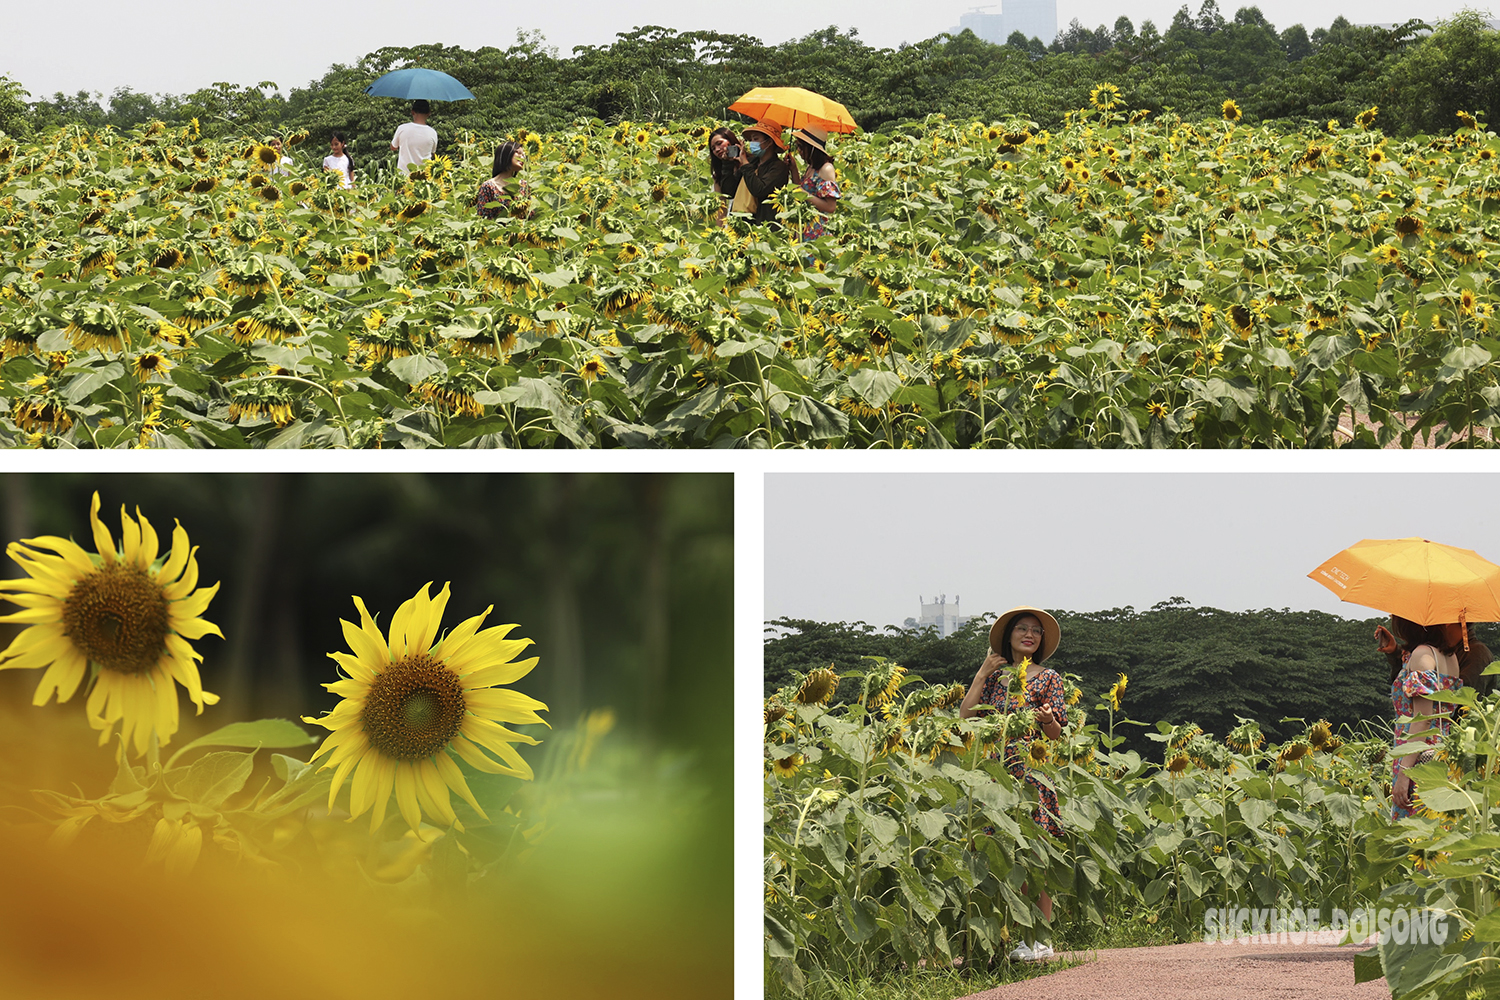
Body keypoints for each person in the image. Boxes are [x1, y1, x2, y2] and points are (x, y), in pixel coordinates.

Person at [959, 605, 1065, 962]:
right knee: (1002, 855)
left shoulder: (1049, 678)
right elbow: (966, 717)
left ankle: (1041, 938)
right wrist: (981, 674)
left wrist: (1048, 719)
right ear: (1009, 636)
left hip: (1031, 774)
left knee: (1035, 855)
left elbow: (1056, 734)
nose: (1029, 634)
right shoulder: (994, 676)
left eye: (1036, 631)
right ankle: (1010, 936)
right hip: (996, 774)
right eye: (1022, 628)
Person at [1382, 616, 1465, 819]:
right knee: (1438, 828)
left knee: (1413, 832)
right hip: (1442, 753)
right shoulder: (1449, 656)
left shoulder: (1421, 656)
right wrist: (1395, 651)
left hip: (1417, 756)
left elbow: (1422, 720)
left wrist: (1404, 773)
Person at [729, 120, 791, 226]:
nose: (752, 142)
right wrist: (731, 165)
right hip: (740, 221)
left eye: (756, 139)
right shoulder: (752, 162)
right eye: (751, 139)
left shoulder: (778, 167)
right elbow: (730, 190)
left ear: (769, 142)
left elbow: (759, 190)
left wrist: (745, 164)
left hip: (762, 225)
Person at [787, 126, 841, 241]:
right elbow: (801, 192)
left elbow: (830, 207)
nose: (799, 151)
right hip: (804, 226)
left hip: (816, 232)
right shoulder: (811, 167)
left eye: (801, 147)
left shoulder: (826, 169)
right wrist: (794, 169)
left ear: (812, 148)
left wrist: (804, 194)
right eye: (797, 146)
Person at [475, 141, 531, 220]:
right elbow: (484, 219)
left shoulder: (524, 185)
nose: (523, 158)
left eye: (523, 155)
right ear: (506, 154)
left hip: (522, 232)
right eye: (518, 153)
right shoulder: (488, 187)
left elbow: (530, 217)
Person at [391, 99, 438, 175]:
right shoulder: (432, 132)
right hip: (424, 177)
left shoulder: (402, 128)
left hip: (403, 177)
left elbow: (393, 147)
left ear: (412, 112)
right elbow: (433, 153)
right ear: (429, 113)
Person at [708, 127, 742, 211]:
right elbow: (724, 202)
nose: (717, 149)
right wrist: (727, 164)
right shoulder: (718, 174)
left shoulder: (751, 162)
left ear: (731, 139)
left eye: (719, 143)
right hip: (736, 217)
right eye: (713, 148)